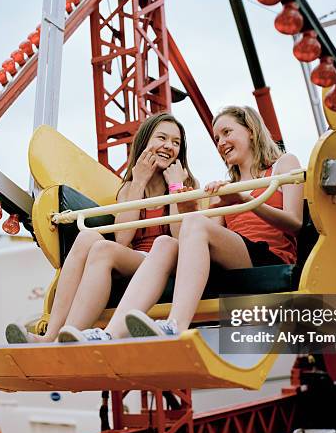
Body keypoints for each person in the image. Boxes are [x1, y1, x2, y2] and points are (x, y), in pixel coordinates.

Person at [5, 112, 197, 343]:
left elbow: (180, 237)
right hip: (138, 258)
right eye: (162, 138)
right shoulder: (129, 189)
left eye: (176, 143)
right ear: (145, 142)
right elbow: (123, 240)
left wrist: (175, 186)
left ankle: (69, 334)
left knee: (105, 250)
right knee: (88, 238)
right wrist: (138, 183)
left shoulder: (186, 184)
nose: (168, 146)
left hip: (168, 258)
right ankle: (52, 334)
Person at [120, 105, 304, 337]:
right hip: (237, 255)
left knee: (196, 224)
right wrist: (192, 207)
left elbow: (295, 222)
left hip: (271, 255)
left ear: (251, 131)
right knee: (167, 242)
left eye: (227, 133)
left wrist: (245, 200)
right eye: (217, 138)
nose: (221, 143)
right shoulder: (224, 188)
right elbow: (201, 237)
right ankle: (114, 331)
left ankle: (175, 323)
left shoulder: (283, 165)